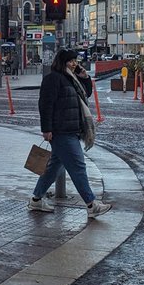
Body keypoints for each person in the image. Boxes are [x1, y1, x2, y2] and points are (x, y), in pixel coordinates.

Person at [30, 48, 112, 220]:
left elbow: (85, 94)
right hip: (61, 131)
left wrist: (86, 77)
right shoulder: (53, 79)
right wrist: (46, 129)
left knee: (53, 169)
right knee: (78, 167)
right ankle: (91, 204)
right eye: (71, 61)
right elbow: (45, 105)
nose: (75, 64)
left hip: (71, 130)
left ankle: (36, 199)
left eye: (75, 60)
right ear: (62, 62)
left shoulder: (71, 79)